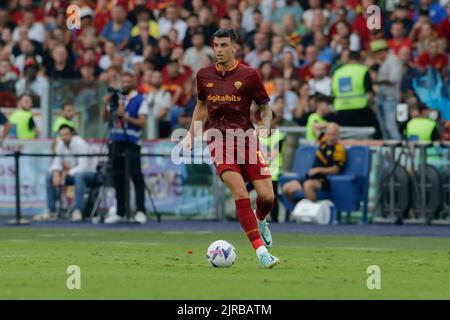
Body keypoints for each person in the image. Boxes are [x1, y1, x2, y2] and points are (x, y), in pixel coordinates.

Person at [182, 29, 280, 268]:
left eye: (224, 45)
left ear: (234, 48)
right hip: (218, 139)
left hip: (246, 139)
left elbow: (265, 108)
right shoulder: (204, 75)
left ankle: (261, 219)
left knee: (267, 197)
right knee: (240, 192)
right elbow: (202, 106)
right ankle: (261, 253)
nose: (218, 49)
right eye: (215, 44)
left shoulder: (250, 75)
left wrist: (265, 126)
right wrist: (191, 133)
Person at [102, 72, 148, 224]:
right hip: (116, 141)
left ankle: (140, 210)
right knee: (117, 176)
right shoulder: (116, 98)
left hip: (132, 142)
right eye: (124, 81)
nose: (126, 84)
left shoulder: (140, 99)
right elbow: (104, 118)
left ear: (133, 82)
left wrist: (126, 117)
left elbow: (142, 122)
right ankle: (120, 211)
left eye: (128, 81)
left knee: (136, 175)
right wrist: (106, 104)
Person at [33, 125, 99, 222]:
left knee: (79, 176)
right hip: (72, 175)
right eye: (62, 135)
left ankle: (77, 211)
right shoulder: (60, 144)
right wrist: (55, 173)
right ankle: (51, 211)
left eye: (66, 134)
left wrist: (67, 173)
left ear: (72, 134)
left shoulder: (80, 143)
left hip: (91, 174)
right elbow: (57, 162)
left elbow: (83, 166)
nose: (64, 137)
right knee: (49, 176)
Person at [282, 123, 346, 203]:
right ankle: (299, 208)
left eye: (333, 134)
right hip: (309, 177)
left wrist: (318, 170)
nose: (330, 137)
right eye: (329, 134)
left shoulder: (339, 150)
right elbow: (314, 126)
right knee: (286, 188)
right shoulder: (323, 140)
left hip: (323, 180)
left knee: (308, 185)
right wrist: (329, 125)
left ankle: (313, 213)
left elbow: (335, 169)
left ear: (338, 135)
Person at [331, 51, 382, 139]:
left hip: (341, 109)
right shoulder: (362, 70)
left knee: (347, 135)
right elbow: (369, 93)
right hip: (360, 108)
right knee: (374, 130)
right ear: (360, 59)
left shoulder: (338, 72)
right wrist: (373, 106)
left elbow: (333, 92)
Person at [255, 111, 286, 223]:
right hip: (258, 171)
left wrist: (258, 154)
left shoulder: (279, 136)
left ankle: (275, 221)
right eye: (263, 120)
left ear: (274, 120)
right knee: (244, 190)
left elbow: (274, 154)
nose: (265, 123)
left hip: (273, 172)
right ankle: (248, 217)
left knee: (272, 197)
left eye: (268, 120)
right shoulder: (259, 134)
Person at [372, 39, 403, 140]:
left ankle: (399, 150)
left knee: (391, 127)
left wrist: (377, 81)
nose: (376, 56)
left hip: (390, 98)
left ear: (383, 51)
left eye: (376, 53)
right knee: (384, 128)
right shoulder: (383, 62)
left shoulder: (393, 60)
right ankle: (388, 152)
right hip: (381, 97)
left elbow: (394, 79)